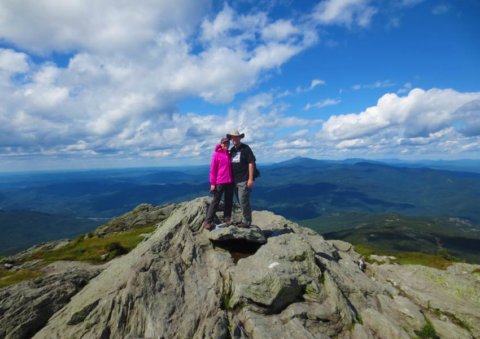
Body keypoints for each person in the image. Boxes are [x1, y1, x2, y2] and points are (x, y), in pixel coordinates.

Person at [227, 130, 256, 228]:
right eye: (232, 137)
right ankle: (244, 219)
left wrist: (250, 179)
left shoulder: (246, 148)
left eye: (236, 137)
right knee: (240, 201)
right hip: (234, 181)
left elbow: (251, 163)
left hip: (244, 179)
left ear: (239, 138)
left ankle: (247, 222)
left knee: (243, 200)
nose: (234, 139)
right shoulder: (232, 150)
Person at [203, 137, 234, 230]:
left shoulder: (229, 154)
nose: (226, 145)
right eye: (224, 143)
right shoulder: (216, 155)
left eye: (227, 143)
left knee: (229, 201)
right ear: (221, 144)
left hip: (229, 181)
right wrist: (212, 183)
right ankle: (208, 222)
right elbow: (213, 170)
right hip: (219, 182)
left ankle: (227, 218)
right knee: (215, 201)